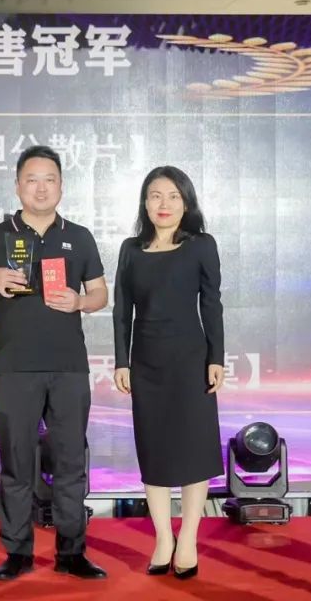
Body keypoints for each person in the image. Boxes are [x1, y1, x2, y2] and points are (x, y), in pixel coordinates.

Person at [0, 145, 108, 581]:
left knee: (70, 462)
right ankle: (17, 551)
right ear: (17, 185)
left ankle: (72, 552)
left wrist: (80, 301)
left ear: (61, 186)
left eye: (49, 180)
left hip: (68, 368)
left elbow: (100, 293)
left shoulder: (79, 236)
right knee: (16, 464)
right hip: (15, 368)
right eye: (32, 179)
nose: (41, 188)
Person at [112, 166, 225, 580]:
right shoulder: (130, 249)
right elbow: (122, 310)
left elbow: (211, 303)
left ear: (186, 202)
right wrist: (122, 361)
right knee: (154, 448)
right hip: (146, 362)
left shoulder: (201, 246)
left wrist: (216, 357)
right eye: (156, 195)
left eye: (174, 196)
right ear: (145, 202)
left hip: (191, 360)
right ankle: (163, 537)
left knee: (194, 448)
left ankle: (189, 538)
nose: (164, 204)